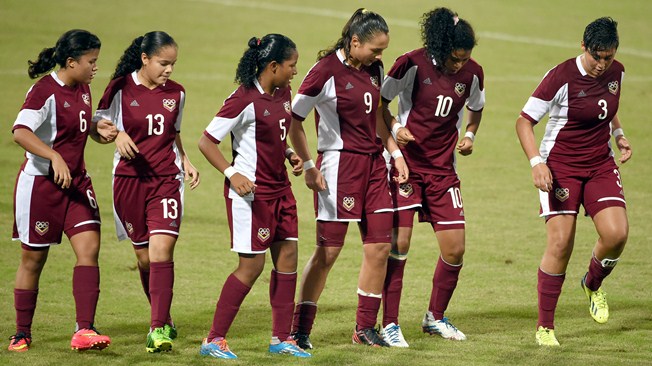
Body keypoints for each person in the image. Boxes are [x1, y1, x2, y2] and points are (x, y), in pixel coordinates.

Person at [289, 8, 408, 348]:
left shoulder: (374, 68)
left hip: (374, 166)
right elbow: (294, 119)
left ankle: (364, 327)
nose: (380, 56)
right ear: (355, 42)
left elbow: (377, 119)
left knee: (381, 247)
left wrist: (396, 154)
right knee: (329, 251)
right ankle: (300, 330)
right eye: (376, 49)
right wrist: (310, 166)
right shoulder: (324, 72)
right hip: (338, 169)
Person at [515, 17, 631, 346]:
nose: (602, 64)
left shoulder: (617, 72)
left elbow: (607, 108)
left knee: (616, 234)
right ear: (584, 47)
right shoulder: (561, 77)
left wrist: (619, 134)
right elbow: (524, 121)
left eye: (608, 57)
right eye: (597, 56)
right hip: (560, 166)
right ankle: (545, 327)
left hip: (599, 164)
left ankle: (592, 284)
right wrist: (536, 162)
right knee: (561, 242)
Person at [197, 34, 309, 359]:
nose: (294, 72)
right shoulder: (243, 98)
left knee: (288, 259)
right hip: (252, 195)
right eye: (291, 66)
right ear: (273, 66)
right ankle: (213, 339)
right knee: (252, 266)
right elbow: (207, 141)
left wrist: (289, 153)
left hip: (282, 189)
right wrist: (233, 175)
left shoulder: (283, 92)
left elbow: (274, 131)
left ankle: (281, 338)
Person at [379, 7, 484, 347]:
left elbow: (476, 107)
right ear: (440, 48)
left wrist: (470, 135)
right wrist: (396, 127)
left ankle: (434, 318)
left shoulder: (472, 74)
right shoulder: (410, 63)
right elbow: (378, 106)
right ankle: (390, 324)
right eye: (454, 58)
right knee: (399, 245)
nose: (459, 65)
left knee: (455, 249)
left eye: (465, 58)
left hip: (443, 171)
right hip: (406, 165)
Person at [93, 31, 200, 353]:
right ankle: (163, 316)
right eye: (163, 63)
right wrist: (114, 135)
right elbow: (96, 125)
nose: (169, 70)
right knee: (143, 258)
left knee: (161, 251)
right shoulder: (120, 88)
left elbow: (174, 133)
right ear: (145, 59)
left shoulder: (177, 93)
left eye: (173, 64)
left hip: (166, 180)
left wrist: (186, 158)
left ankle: (157, 330)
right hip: (128, 181)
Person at [9, 29, 114, 353]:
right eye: (90, 61)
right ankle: (21, 333)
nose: (95, 67)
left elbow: (76, 126)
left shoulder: (83, 88)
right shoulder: (44, 92)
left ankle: (84, 329)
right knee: (33, 260)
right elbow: (20, 132)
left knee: (89, 249)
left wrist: (98, 128)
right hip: (41, 187)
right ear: (71, 62)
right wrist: (53, 155)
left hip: (77, 184)